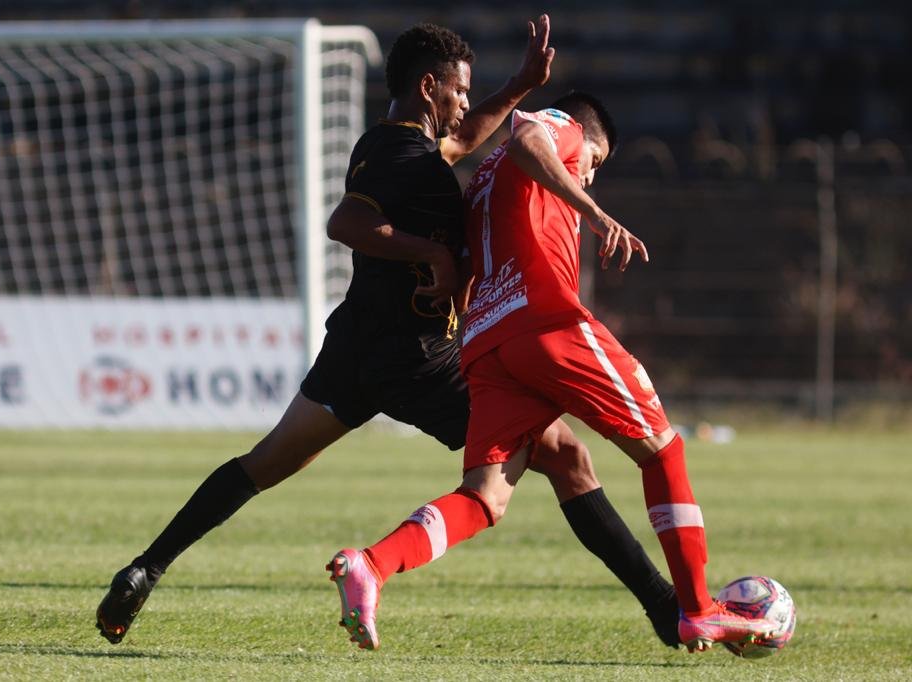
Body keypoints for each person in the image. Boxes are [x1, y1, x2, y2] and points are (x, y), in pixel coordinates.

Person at [96, 18, 678, 649]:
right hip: (421, 359)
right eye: (458, 91)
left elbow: (460, 143)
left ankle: (146, 567)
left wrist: (517, 87)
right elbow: (344, 220)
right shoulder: (401, 154)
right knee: (567, 458)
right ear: (429, 87)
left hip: (357, 350)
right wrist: (433, 252)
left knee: (264, 463)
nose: (463, 103)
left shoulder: (402, 150)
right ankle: (666, 607)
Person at [327, 92, 781, 653]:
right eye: (595, 163)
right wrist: (591, 211)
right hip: (545, 321)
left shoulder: (484, 181)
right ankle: (696, 609)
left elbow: (474, 258)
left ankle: (371, 564)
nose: (588, 178)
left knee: (486, 497)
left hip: (487, 342)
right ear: (584, 137)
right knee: (663, 451)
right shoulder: (557, 127)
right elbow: (526, 136)